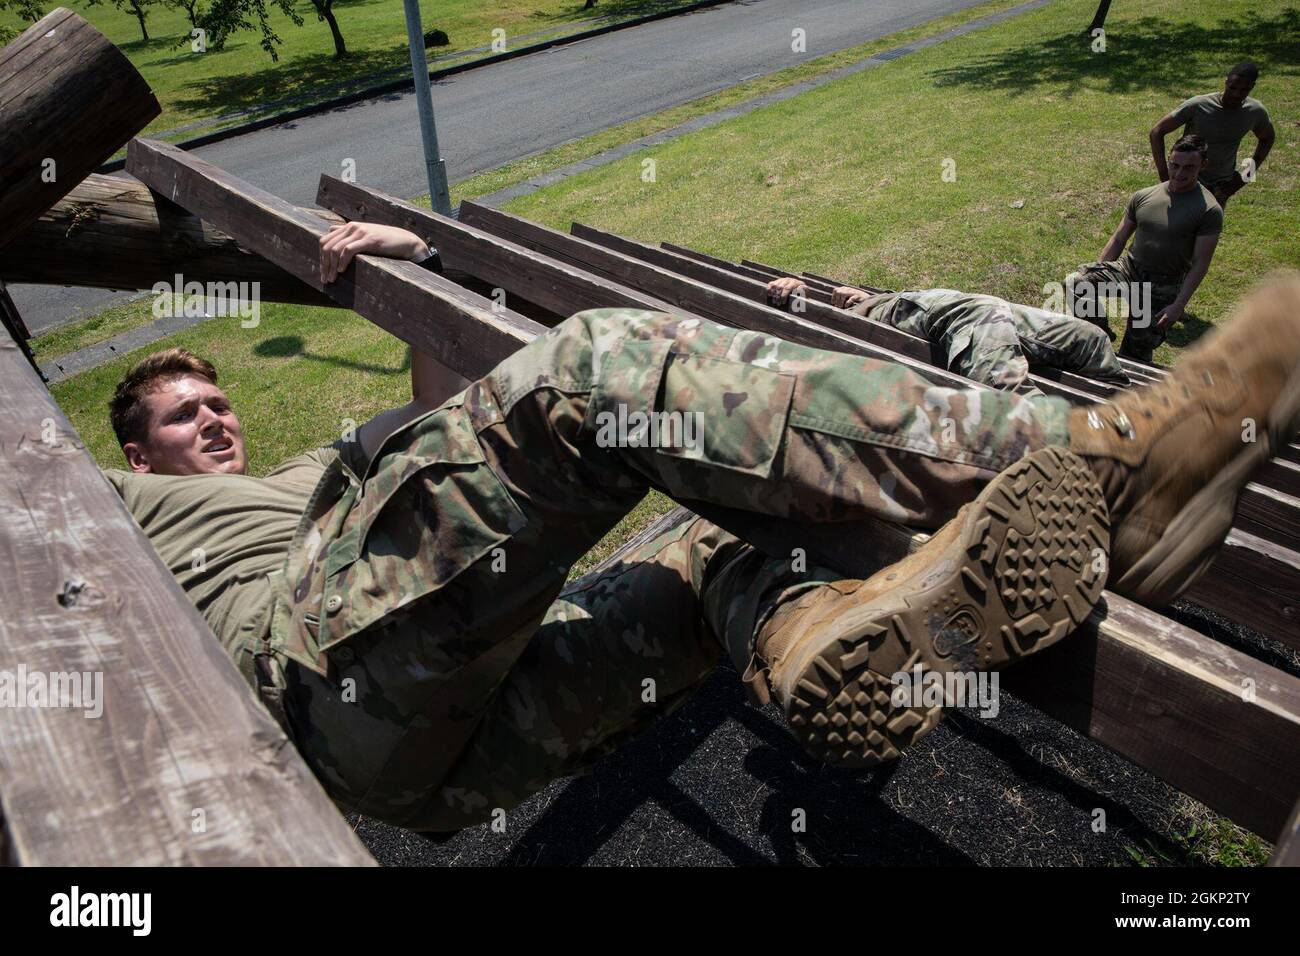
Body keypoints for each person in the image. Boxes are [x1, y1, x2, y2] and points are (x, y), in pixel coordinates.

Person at [102, 220, 1300, 832]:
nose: (209, 420)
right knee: (594, 371)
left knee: (707, 549)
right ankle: (1101, 473)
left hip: (446, 749)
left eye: (216, 399)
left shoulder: (308, 475)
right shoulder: (116, 511)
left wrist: (413, 254)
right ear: (131, 451)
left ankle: (819, 638)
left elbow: (449, 439)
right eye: (176, 413)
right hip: (302, 682)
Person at [764, 277, 1129, 395]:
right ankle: (1043, 427)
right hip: (918, 310)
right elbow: (793, 308)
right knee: (981, 312)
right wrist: (795, 288)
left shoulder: (864, 298)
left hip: (927, 301)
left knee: (1089, 336)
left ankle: (1131, 412)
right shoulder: (846, 312)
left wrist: (857, 294)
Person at [1064, 135, 1223, 363]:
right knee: (1077, 282)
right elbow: (1119, 239)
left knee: (1136, 353)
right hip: (1129, 269)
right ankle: (1099, 336)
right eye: (1175, 166)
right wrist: (1101, 270)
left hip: (1162, 284)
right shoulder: (1144, 196)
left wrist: (1178, 305)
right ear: (1168, 161)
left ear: (1203, 165)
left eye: (1189, 167)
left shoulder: (1208, 210)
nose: (1179, 174)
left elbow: (1200, 263)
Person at [1148, 61, 1275, 208]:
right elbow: (1156, 132)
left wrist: (1245, 177)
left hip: (1221, 187)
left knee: (1209, 229)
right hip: (1187, 180)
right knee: (1179, 228)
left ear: (1252, 87)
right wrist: (1165, 175)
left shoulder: (1254, 112)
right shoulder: (1199, 105)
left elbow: (1267, 139)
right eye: (1232, 87)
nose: (1236, 94)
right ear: (1226, 81)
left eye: (1243, 90)